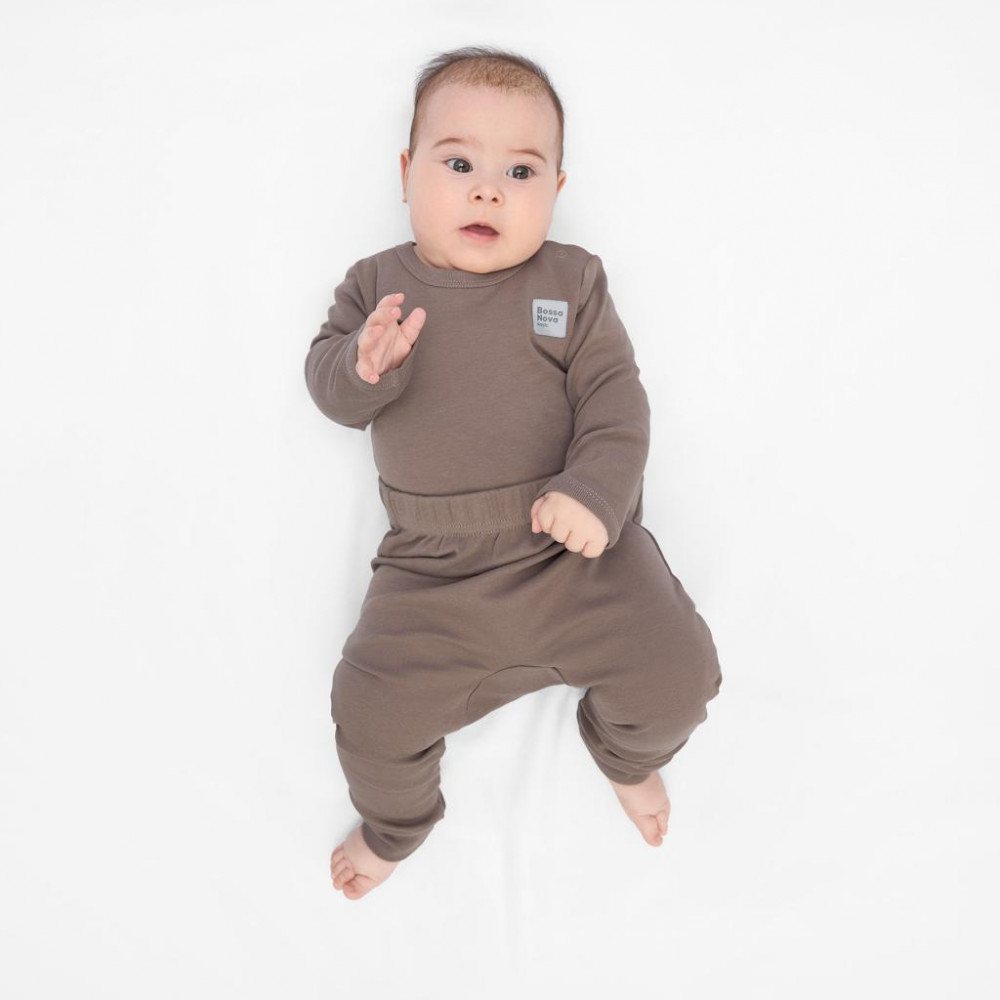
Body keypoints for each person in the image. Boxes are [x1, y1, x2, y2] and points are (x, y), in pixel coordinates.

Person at [305, 46, 722, 901]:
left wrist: (594, 494)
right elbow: (330, 390)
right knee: (368, 709)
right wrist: (363, 365)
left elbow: (616, 400)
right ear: (406, 175)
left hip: (575, 554)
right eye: (458, 164)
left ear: (557, 189)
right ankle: (397, 825)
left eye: (520, 171)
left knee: (681, 672)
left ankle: (627, 753)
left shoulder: (571, 281)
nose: (488, 191)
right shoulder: (376, 288)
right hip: (431, 576)